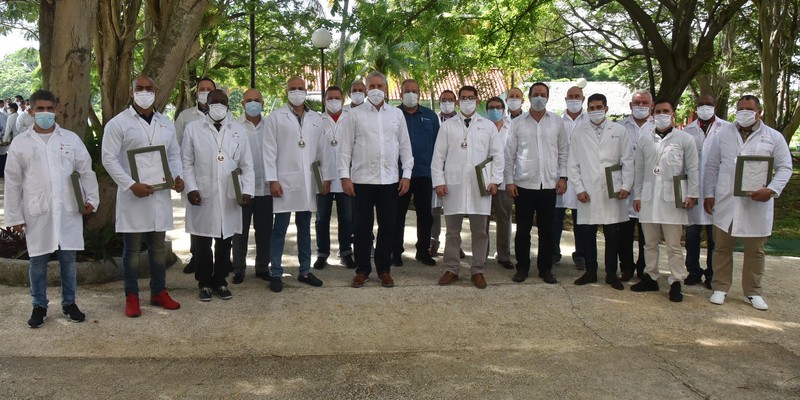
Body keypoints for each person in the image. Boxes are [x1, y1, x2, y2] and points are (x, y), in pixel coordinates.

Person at [5, 89, 99, 328]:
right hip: (37, 211)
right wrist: (14, 216)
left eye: (49, 108)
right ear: (31, 110)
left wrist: (92, 199)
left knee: (68, 259)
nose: (45, 113)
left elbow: (86, 171)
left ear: (57, 109)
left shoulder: (70, 139)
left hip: (68, 209)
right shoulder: (21, 143)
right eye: (40, 109)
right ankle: (39, 305)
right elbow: (13, 181)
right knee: (38, 261)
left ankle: (69, 303)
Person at [103, 76, 184, 317]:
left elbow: (174, 155)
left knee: (158, 247)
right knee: (133, 249)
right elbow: (109, 158)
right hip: (133, 197)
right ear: (132, 92)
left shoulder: (165, 123)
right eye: (140, 89)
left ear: (156, 91)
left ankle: (158, 291)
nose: (145, 92)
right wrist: (130, 185)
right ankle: (132, 295)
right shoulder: (118, 124)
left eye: (149, 89)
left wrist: (178, 176)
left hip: (159, 195)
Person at [703, 95, 792, 311]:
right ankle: (720, 287)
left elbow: (785, 168)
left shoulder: (773, 137)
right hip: (727, 200)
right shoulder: (723, 135)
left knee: (755, 251)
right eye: (740, 108)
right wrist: (709, 194)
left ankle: (753, 292)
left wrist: (771, 190)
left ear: (759, 112)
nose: (744, 112)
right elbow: (712, 166)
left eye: (749, 109)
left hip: (756, 202)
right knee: (722, 247)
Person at [340, 70, 413, 288]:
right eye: (371, 86)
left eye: (380, 86)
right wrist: (345, 176)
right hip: (362, 180)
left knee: (388, 227)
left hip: (389, 180)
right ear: (365, 89)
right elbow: (345, 148)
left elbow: (405, 147)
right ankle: (362, 269)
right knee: (362, 228)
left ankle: (384, 269)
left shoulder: (396, 115)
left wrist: (406, 175)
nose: (375, 90)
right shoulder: (354, 114)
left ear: (386, 89)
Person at [183, 89, 254, 301]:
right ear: (207, 103)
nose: (218, 105)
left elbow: (247, 164)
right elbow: (186, 162)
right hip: (203, 193)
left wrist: (247, 190)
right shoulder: (193, 129)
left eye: (223, 102)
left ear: (228, 105)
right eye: (214, 102)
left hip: (230, 193)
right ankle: (204, 283)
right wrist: (191, 188)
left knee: (225, 241)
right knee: (203, 242)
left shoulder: (238, 130)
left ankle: (221, 281)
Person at [432, 86, 504, 288]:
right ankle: (451, 268)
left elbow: (498, 155)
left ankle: (478, 270)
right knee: (452, 231)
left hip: (480, 185)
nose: (467, 100)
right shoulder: (447, 127)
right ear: (458, 102)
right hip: (453, 185)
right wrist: (438, 181)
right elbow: (438, 156)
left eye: (471, 97)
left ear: (477, 100)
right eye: (463, 98)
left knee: (480, 232)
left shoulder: (488, 126)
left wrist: (495, 180)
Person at [264, 77, 330, 292]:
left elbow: (322, 152)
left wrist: (324, 179)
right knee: (280, 229)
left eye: (301, 88)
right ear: (286, 91)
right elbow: (269, 151)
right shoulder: (276, 117)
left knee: (305, 227)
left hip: (307, 182)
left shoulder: (315, 119)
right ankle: (275, 272)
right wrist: (272, 179)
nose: (297, 92)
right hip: (283, 181)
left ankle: (304, 270)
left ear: (306, 91)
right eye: (293, 88)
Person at [630, 99, 699, 302]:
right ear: (653, 113)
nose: (662, 114)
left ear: (673, 114)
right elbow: (639, 169)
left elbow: (693, 168)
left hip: (673, 198)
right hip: (649, 198)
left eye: (665, 111)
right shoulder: (645, 139)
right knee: (649, 243)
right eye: (658, 111)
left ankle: (676, 281)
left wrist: (692, 194)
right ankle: (650, 276)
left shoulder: (684, 139)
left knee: (673, 244)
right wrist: (637, 195)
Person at [504, 82, 569, 284]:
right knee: (523, 230)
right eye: (535, 94)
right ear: (529, 97)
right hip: (523, 184)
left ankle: (545, 269)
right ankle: (522, 267)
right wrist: (509, 181)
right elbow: (509, 154)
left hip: (549, 185)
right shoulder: (517, 123)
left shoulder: (557, 122)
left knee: (547, 230)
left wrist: (563, 177)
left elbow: (564, 152)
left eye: (543, 94)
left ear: (548, 97)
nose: (539, 98)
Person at [568, 93, 634, 291]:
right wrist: (579, 188)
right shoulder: (579, 132)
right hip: (588, 190)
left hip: (612, 190)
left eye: (599, 107)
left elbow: (628, 161)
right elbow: (573, 164)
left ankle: (611, 274)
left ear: (606, 108)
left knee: (612, 235)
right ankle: (590, 271)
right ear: (587, 109)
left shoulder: (619, 130)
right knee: (587, 234)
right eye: (592, 108)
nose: (595, 111)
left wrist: (626, 186)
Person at [683, 94, 730, 289]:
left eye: (708, 104)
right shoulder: (688, 131)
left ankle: (712, 274)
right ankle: (693, 271)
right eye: (701, 105)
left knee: (714, 237)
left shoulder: (727, 129)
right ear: (696, 107)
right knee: (692, 235)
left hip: (717, 191)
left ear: (715, 106)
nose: (705, 108)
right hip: (692, 191)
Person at [175, 77, 219, 275]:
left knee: (217, 218)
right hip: (193, 176)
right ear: (196, 92)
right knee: (195, 219)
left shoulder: (225, 116)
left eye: (209, 89)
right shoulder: (185, 117)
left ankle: (219, 261)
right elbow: (176, 147)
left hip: (217, 177)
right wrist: (181, 178)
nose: (205, 91)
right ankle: (197, 257)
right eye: (202, 89)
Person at [392, 79, 439, 266]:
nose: (411, 94)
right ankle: (395, 251)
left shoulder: (430, 116)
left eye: (414, 91)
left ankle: (423, 251)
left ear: (419, 93)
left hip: (424, 173)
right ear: (401, 93)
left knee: (425, 216)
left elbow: (438, 146)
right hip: (399, 175)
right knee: (397, 215)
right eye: (407, 91)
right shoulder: (394, 114)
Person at [231, 88, 273, 284]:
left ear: (263, 103)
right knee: (240, 232)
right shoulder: (234, 126)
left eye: (257, 100)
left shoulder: (271, 125)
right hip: (243, 189)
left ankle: (263, 267)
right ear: (242, 104)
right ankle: (238, 268)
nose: (253, 103)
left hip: (265, 188)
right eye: (249, 100)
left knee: (265, 231)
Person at [314, 86, 356, 270]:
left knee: (346, 218)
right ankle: (322, 253)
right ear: (324, 100)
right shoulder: (316, 120)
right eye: (330, 98)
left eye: (337, 97)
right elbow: (311, 153)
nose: (333, 101)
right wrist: (319, 178)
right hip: (323, 179)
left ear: (343, 99)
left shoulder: (351, 118)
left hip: (345, 177)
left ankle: (346, 252)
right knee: (322, 218)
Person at [618, 89, 653, 281]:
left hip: (648, 185)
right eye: (637, 103)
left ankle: (644, 267)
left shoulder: (657, 127)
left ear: (651, 105)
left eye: (645, 103)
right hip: (625, 187)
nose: (641, 106)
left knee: (647, 232)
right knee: (624, 231)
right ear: (630, 105)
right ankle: (626, 267)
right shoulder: (619, 127)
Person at [553, 86, 587, 269]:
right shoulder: (557, 121)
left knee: (580, 219)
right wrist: (561, 176)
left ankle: (581, 255)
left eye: (577, 96)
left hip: (582, 176)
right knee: (555, 217)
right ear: (565, 99)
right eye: (571, 96)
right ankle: (553, 253)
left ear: (583, 98)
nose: (574, 99)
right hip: (559, 175)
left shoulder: (590, 121)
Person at [485, 97, 514, 270]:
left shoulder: (512, 127)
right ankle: (482, 253)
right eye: (491, 107)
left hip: (504, 181)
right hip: (485, 181)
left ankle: (504, 255)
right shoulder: (482, 126)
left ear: (503, 109)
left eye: (498, 107)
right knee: (483, 219)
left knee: (504, 218)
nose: (494, 110)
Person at [430, 89, 458, 257]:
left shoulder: (462, 120)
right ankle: (434, 242)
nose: (447, 102)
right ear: (439, 101)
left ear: (455, 102)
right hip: (437, 170)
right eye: (444, 99)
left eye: (450, 99)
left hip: (455, 171)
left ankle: (456, 245)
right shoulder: (434, 119)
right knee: (435, 210)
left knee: (455, 211)